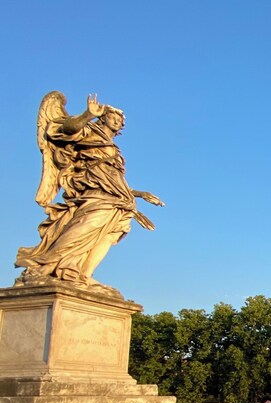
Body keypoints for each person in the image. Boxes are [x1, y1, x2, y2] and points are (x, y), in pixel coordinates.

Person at [16, 93, 164, 294]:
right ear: (103, 116)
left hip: (118, 198)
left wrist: (140, 193)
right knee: (82, 229)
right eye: (115, 117)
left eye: (121, 121)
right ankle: (46, 265)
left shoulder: (113, 148)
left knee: (109, 235)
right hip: (93, 194)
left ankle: (84, 275)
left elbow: (113, 179)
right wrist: (88, 114)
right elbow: (65, 129)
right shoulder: (88, 132)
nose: (119, 122)